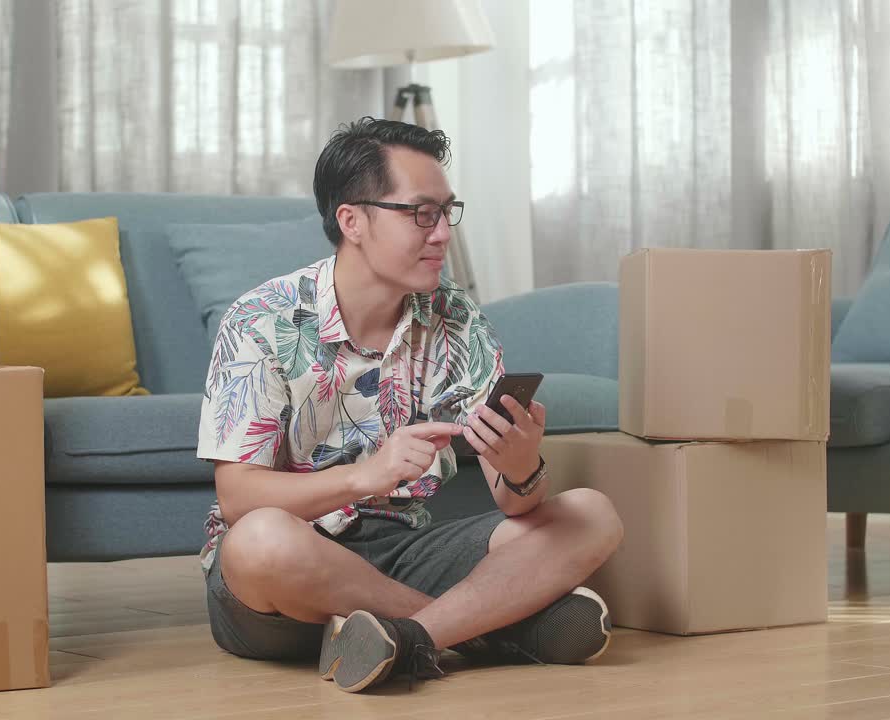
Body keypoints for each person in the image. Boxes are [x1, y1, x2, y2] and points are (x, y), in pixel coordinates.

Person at [196, 117, 624, 693]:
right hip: (288, 582)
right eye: (421, 213)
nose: (443, 233)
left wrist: (521, 465)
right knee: (260, 541)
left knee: (592, 514)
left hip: (407, 548)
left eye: (447, 212)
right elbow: (237, 498)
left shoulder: (456, 318)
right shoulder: (261, 319)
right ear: (352, 221)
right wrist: (364, 476)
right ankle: (488, 631)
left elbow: (515, 502)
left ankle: (408, 638)